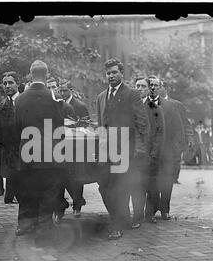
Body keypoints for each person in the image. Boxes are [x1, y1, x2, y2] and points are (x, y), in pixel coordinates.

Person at [96, 59, 149, 239]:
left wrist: (138, 151)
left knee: (120, 188)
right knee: (103, 187)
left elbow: (142, 124)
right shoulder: (101, 97)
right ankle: (120, 219)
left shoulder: (132, 94)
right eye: (108, 73)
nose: (111, 76)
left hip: (127, 152)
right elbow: (101, 126)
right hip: (106, 152)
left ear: (121, 73)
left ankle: (117, 226)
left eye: (114, 72)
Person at [15, 60, 65, 242]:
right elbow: (60, 126)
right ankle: (44, 228)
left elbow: (17, 126)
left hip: (27, 152)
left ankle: (25, 225)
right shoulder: (55, 97)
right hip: (50, 154)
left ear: (30, 74)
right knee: (49, 192)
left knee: (27, 190)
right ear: (47, 74)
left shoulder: (20, 98)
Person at [144, 76, 183, 222]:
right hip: (150, 152)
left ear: (160, 87)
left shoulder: (169, 106)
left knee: (166, 182)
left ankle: (165, 209)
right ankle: (151, 210)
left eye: (156, 85)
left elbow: (178, 129)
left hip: (166, 152)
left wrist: (175, 151)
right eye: (151, 85)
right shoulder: (143, 105)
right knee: (151, 182)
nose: (153, 88)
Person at [55, 80, 90, 219]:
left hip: (77, 148)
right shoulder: (57, 105)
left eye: (65, 90)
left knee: (77, 178)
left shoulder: (79, 106)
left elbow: (86, 126)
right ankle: (59, 209)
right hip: (61, 147)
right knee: (60, 179)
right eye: (60, 90)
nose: (62, 93)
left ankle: (77, 205)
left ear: (71, 90)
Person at [0, 72, 21, 204]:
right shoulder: (1, 107)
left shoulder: (25, 103)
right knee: (12, 175)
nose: (7, 86)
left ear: (18, 84)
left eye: (10, 83)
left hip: (27, 149)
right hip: (9, 152)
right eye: (5, 83)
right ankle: (10, 196)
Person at [159, 79, 194, 183]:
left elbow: (186, 123)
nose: (155, 88)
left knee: (175, 159)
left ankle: (174, 179)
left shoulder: (177, 105)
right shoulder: (151, 103)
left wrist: (190, 137)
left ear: (166, 88)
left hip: (175, 139)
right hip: (159, 139)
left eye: (159, 86)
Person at [131, 76, 154, 228]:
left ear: (148, 89)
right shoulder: (130, 106)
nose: (139, 89)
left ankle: (148, 214)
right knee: (136, 185)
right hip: (133, 152)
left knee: (147, 186)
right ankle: (137, 216)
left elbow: (159, 132)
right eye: (137, 86)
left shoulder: (154, 107)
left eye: (143, 86)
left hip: (148, 152)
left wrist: (153, 153)